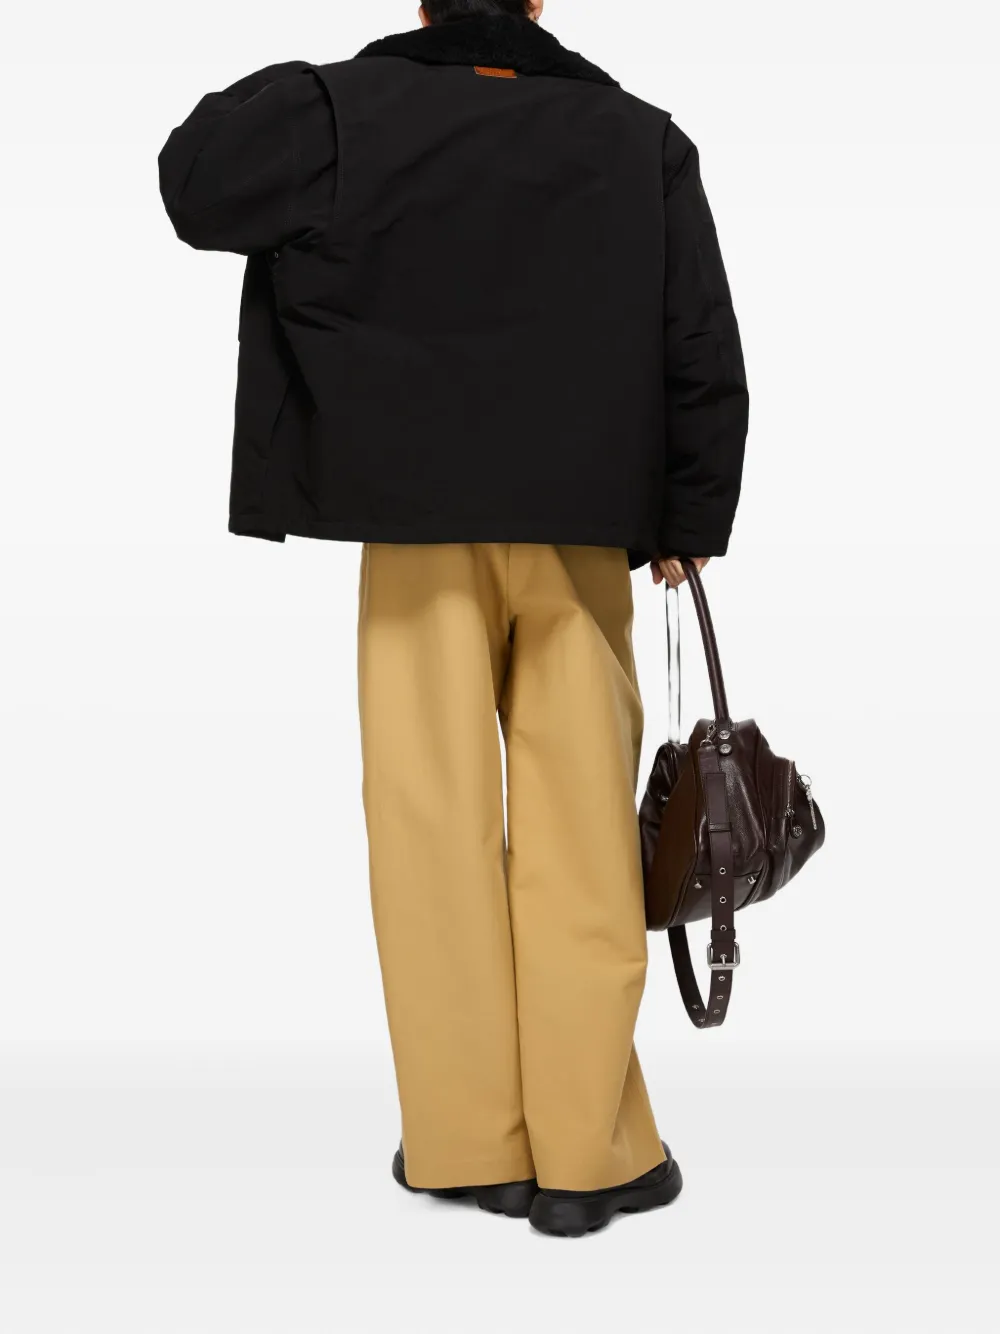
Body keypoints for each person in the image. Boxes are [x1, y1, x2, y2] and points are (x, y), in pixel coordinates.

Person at [158, 0, 749, 1238]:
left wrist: (331, 87)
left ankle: (468, 1141)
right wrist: (692, 513)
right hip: (580, 525)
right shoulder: (637, 137)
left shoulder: (341, 113)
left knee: (427, 826)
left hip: (411, 526)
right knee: (584, 831)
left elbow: (194, 184)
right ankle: (587, 1155)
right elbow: (697, 336)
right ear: (539, 3)